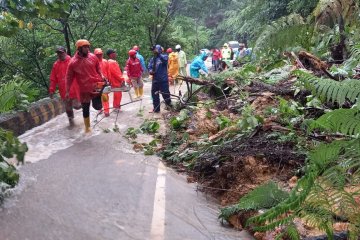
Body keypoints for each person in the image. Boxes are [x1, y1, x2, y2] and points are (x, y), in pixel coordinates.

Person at [66, 39, 104, 133]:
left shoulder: (93, 57)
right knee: (85, 109)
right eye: (85, 47)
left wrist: (102, 75)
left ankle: (102, 97)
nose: (87, 49)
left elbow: (98, 67)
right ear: (79, 48)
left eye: (88, 47)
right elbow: (69, 78)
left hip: (95, 86)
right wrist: (67, 91)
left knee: (98, 107)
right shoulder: (73, 62)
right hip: (84, 90)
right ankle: (87, 128)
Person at [49, 46, 80, 126]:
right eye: (58, 53)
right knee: (68, 108)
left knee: (77, 106)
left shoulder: (72, 61)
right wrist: (51, 90)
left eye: (61, 52)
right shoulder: (56, 65)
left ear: (65, 52)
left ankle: (85, 114)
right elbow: (53, 78)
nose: (60, 54)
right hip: (63, 90)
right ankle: (72, 123)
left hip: (74, 89)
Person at [148, 44, 172, 113]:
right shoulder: (152, 59)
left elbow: (165, 60)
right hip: (155, 80)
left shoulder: (164, 56)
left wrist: (159, 54)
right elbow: (149, 66)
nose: (154, 51)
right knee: (154, 95)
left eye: (155, 50)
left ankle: (169, 107)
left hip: (163, 80)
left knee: (166, 94)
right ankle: (156, 109)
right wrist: (150, 71)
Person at [94, 48, 110, 117]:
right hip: (97, 83)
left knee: (105, 96)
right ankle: (100, 108)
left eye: (100, 54)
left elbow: (108, 71)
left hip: (105, 81)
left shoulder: (105, 61)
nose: (99, 55)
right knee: (98, 96)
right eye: (98, 54)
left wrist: (109, 79)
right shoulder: (93, 63)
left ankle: (106, 110)